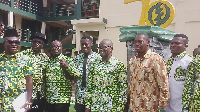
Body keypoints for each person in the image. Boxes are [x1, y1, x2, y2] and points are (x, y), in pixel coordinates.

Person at [126, 33, 170, 112]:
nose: (137, 44)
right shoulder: (132, 61)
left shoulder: (156, 59)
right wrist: (130, 105)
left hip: (151, 108)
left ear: (148, 43)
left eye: (140, 42)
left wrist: (162, 108)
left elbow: (164, 86)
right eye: (135, 42)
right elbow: (132, 84)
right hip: (134, 107)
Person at [84, 39, 127, 112]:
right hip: (96, 107)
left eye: (104, 47)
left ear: (111, 48)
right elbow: (90, 87)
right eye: (99, 47)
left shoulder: (118, 65)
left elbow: (123, 90)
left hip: (111, 108)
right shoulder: (94, 65)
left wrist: (120, 109)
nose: (101, 49)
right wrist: (88, 106)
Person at [0, 29, 33, 112]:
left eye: (16, 42)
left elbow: (29, 81)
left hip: (18, 104)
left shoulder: (25, 59)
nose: (14, 44)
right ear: (4, 43)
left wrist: (29, 101)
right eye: (10, 42)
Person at [44, 40, 80, 112]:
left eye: (58, 46)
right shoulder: (48, 61)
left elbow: (77, 74)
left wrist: (67, 66)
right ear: (51, 48)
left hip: (62, 98)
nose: (56, 48)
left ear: (61, 48)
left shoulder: (68, 60)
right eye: (54, 46)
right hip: (49, 98)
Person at [20, 32, 49, 112]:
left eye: (39, 42)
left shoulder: (45, 58)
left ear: (43, 45)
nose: (36, 43)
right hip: (26, 94)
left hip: (41, 94)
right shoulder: (23, 55)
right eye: (34, 41)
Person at [72, 36, 101, 112]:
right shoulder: (77, 58)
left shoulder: (98, 58)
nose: (84, 46)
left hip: (93, 97)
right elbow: (73, 73)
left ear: (91, 44)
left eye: (86, 44)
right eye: (82, 44)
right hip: (79, 97)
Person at [165, 34, 193, 112]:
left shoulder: (190, 61)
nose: (173, 45)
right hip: (167, 107)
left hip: (182, 107)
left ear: (185, 46)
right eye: (172, 43)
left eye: (177, 43)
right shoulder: (169, 61)